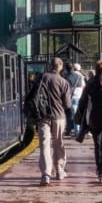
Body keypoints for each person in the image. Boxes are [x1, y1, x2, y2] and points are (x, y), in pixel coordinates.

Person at [25, 57, 72, 186]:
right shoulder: (63, 82)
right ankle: (59, 170)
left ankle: (46, 174)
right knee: (58, 144)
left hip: (42, 117)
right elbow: (68, 105)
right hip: (58, 117)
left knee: (44, 145)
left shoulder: (41, 78)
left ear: (49, 66)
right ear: (60, 67)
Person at [66, 62, 86, 136]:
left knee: (71, 115)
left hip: (71, 97)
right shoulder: (80, 77)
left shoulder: (67, 76)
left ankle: (74, 130)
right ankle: (78, 130)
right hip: (79, 97)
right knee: (78, 114)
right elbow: (83, 87)